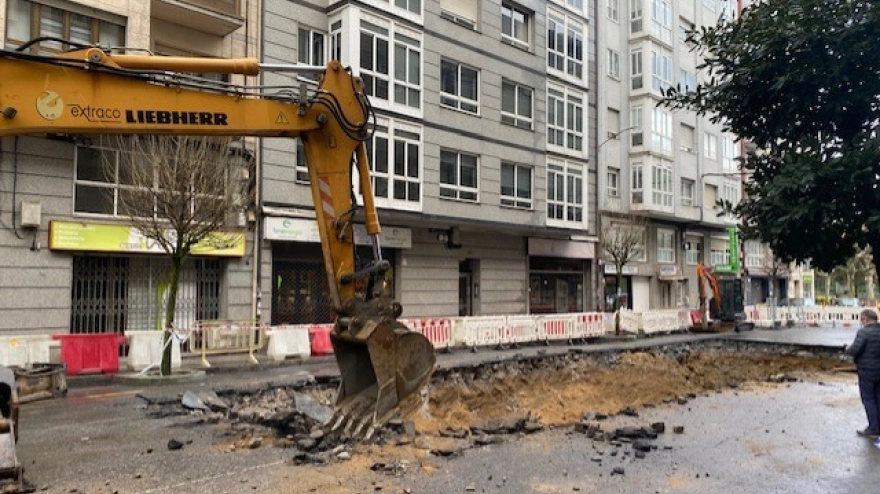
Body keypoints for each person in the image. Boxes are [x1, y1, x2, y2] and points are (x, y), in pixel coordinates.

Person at [845, 308, 880, 438]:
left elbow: (854, 350)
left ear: (865, 319)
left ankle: (873, 428)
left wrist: (846, 349)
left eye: (862, 320)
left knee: (868, 399)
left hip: (867, 370)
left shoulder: (864, 332)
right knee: (878, 398)